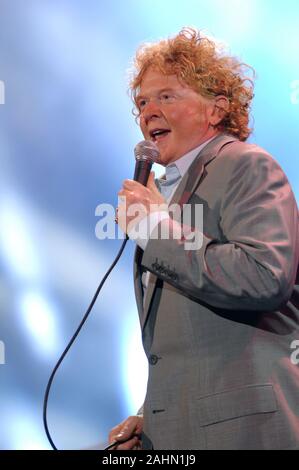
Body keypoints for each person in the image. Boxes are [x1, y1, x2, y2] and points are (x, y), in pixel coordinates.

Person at [108, 28, 299, 450]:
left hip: (246, 432)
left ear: (216, 109)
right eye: (142, 101)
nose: (148, 111)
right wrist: (153, 413)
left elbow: (264, 276)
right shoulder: (166, 193)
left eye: (166, 97)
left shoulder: (247, 166)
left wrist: (154, 231)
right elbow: (187, 341)